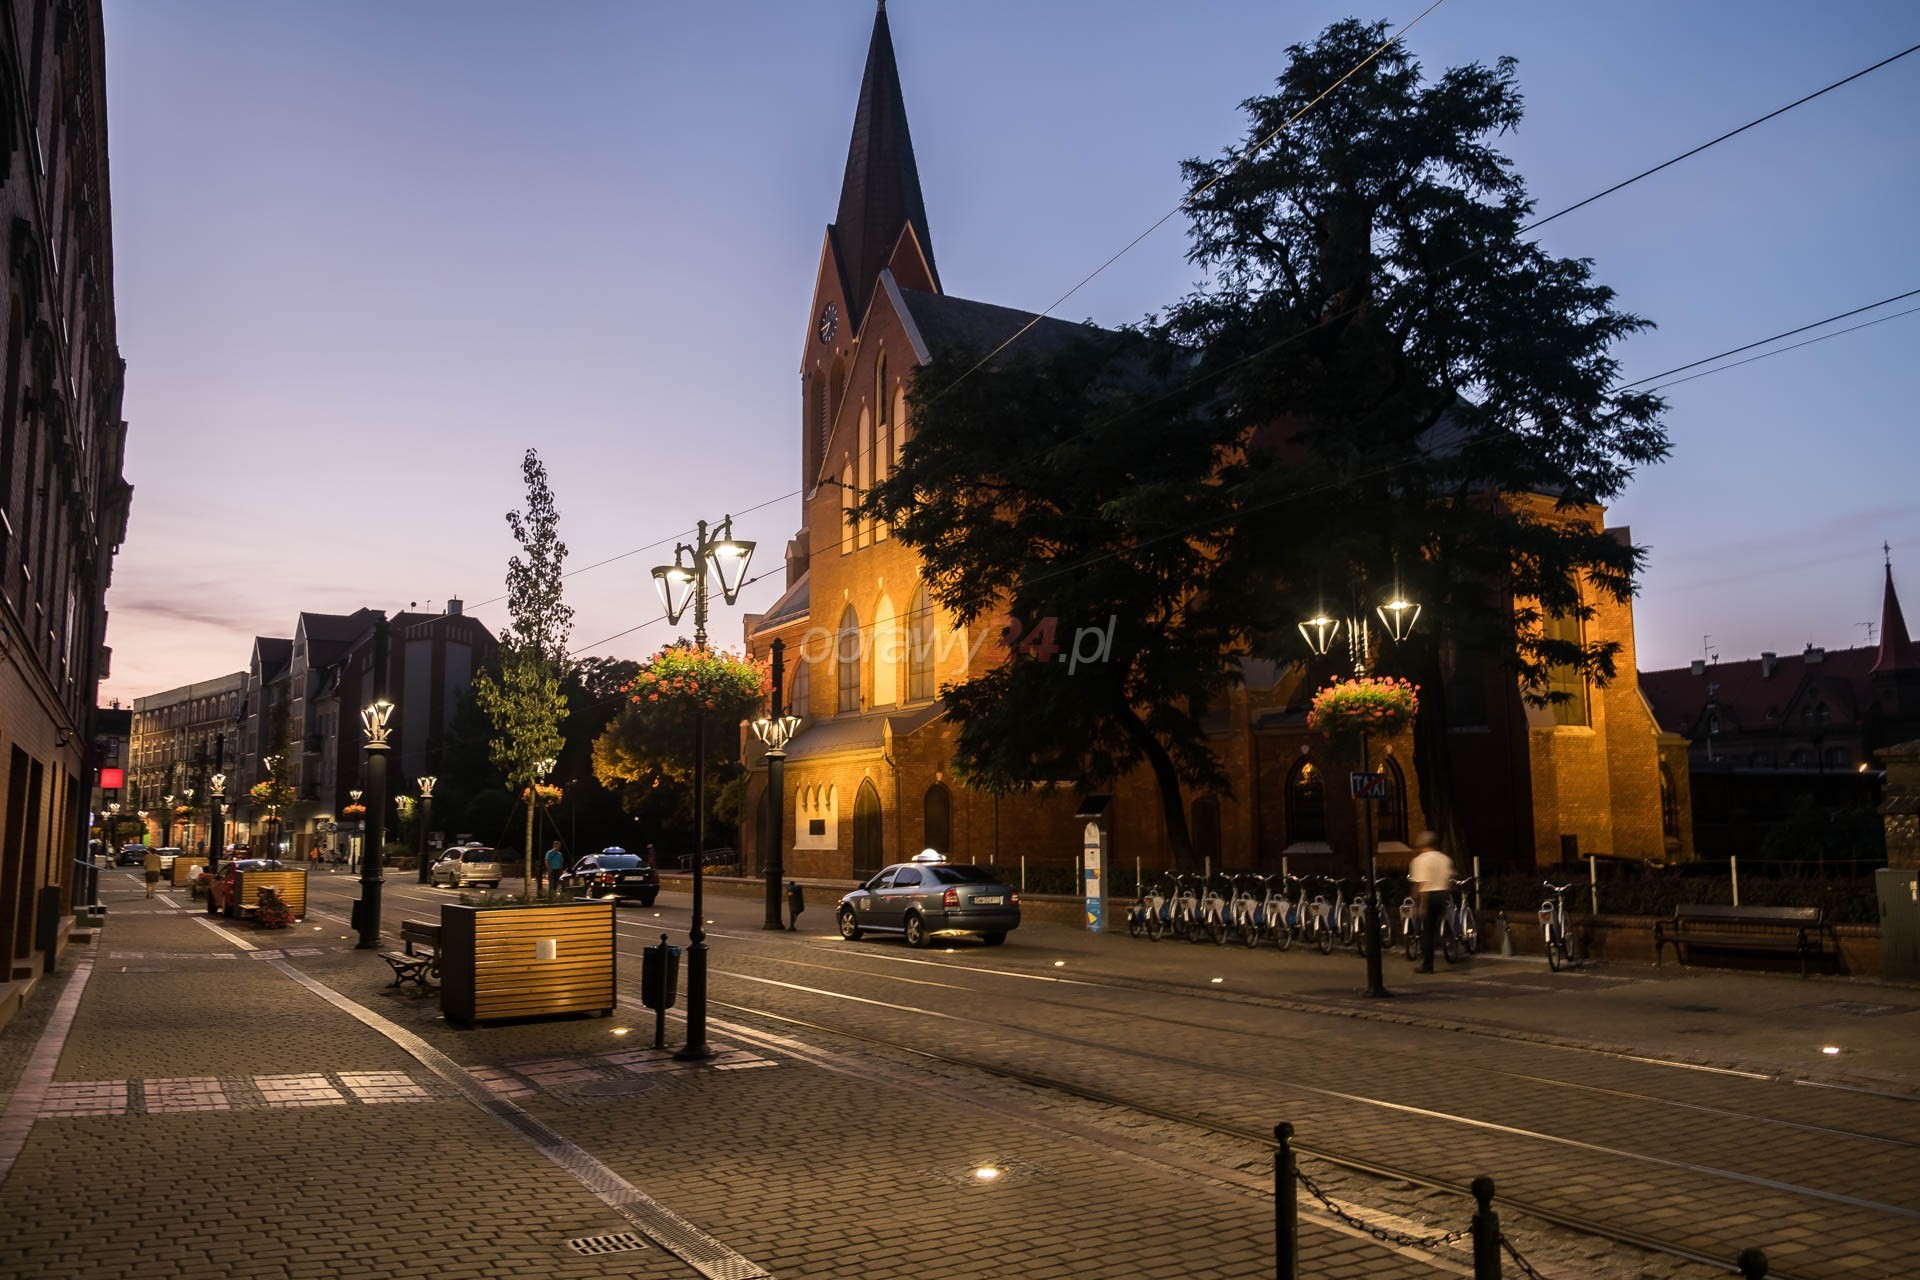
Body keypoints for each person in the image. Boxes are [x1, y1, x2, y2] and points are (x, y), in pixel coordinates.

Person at [1408, 831, 1455, 973]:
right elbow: (1449, 881)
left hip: (1428, 896)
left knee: (1427, 930)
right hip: (1442, 895)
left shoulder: (1420, 861)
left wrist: (1418, 904)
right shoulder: (1445, 859)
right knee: (1438, 924)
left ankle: (1427, 965)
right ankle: (1449, 944)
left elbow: (1421, 883)